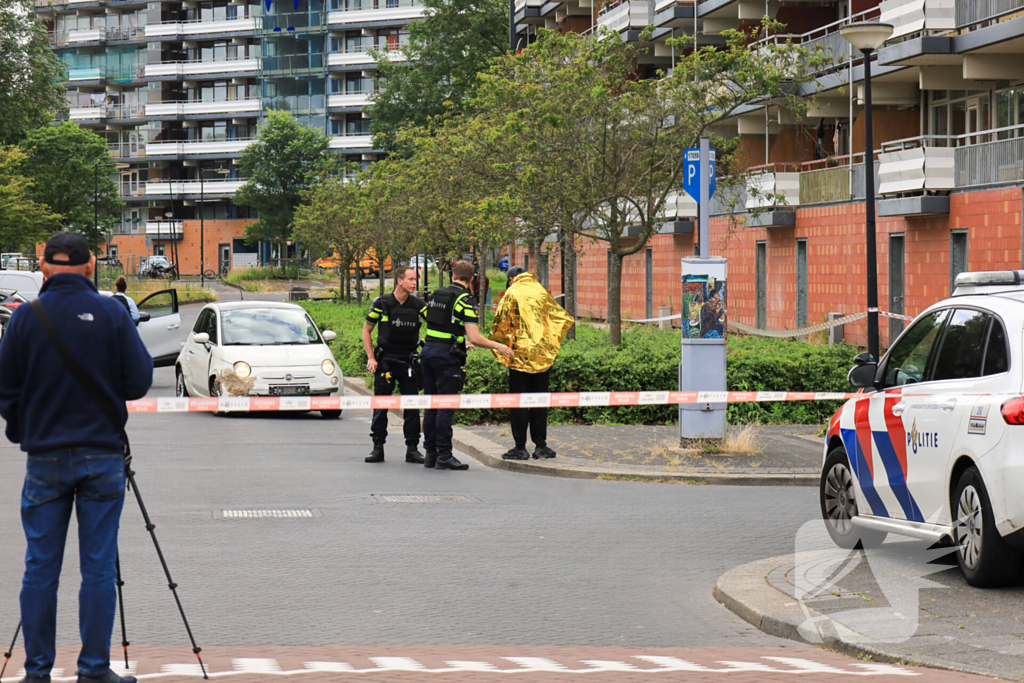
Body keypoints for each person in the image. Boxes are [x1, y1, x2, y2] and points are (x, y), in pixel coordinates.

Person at [0, 232, 153, 683]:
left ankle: (37, 671)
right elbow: (140, 382)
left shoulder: (25, 318)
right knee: (99, 567)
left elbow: (5, 387)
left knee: (40, 566)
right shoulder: (110, 312)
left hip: (44, 458)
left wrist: (24, 428)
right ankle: (94, 669)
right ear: (91, 267)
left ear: (43, 267)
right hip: (102, 456)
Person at [421, 260, 513, 470]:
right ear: (472, 279)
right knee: (446, 405)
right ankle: (444, 454)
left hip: (428, 353)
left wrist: (460, 341)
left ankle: (430, 453)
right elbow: (476, 336)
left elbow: (441, 325)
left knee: (431, 404)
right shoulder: (465, 300)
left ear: (453, 275)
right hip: (445, 358)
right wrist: (498, 346)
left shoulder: (437, 294)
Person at [489, 265, 574, 460]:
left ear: (511, 279)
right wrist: (549, 346)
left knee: (518, 403)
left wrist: (502, 348)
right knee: (539, 402)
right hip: (542, 357)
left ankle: (520, 447)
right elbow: (559, 318)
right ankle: (540, 446)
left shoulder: (512, 292)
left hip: (519, 356)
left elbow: (501, 322)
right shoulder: (540, 290)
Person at [362, 265, 427, 464]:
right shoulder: (382, 304)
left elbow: (436, 325)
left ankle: (412, 448)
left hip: (408, 361)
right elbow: (367, 330)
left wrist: (459, 340)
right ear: (400, 281)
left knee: (412, 407)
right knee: (381, 406)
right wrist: (371, 357)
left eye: (416, 279)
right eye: (411, 279)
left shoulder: (418, 305)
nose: (415, 283)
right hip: (386, 362)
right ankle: (378, 447)